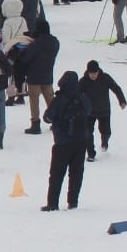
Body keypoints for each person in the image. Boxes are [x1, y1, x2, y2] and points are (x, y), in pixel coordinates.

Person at [40, 71, 91, 210]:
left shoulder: (59, 99)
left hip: (62, 142)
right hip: (81, 142)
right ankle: (73, 202)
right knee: (76, 173)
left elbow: (47, 117)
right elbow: (89, 110)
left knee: (56, 174)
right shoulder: (82, 98)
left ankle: (52, 203)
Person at [15, 18, 59, 134]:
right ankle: (56, 121)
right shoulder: (55, 42)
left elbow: (25, 59)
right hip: (48, 75)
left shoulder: (36, 44)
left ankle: (35, 124)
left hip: (34, 77)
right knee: (51, 100)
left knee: (34, 101)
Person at [77, 61, 127, 159]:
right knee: (87, 132)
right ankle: (91, 153)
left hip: (104, 110)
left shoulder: (105, 78)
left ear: (98, 71)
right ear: (88, 72)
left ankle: (105, 141)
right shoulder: (83, 81)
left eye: (95, 73)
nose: (93, 75)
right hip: (89, 112)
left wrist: (122, 100)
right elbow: (77, 95)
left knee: (105, 131)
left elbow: (116, 88)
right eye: (91, 74)